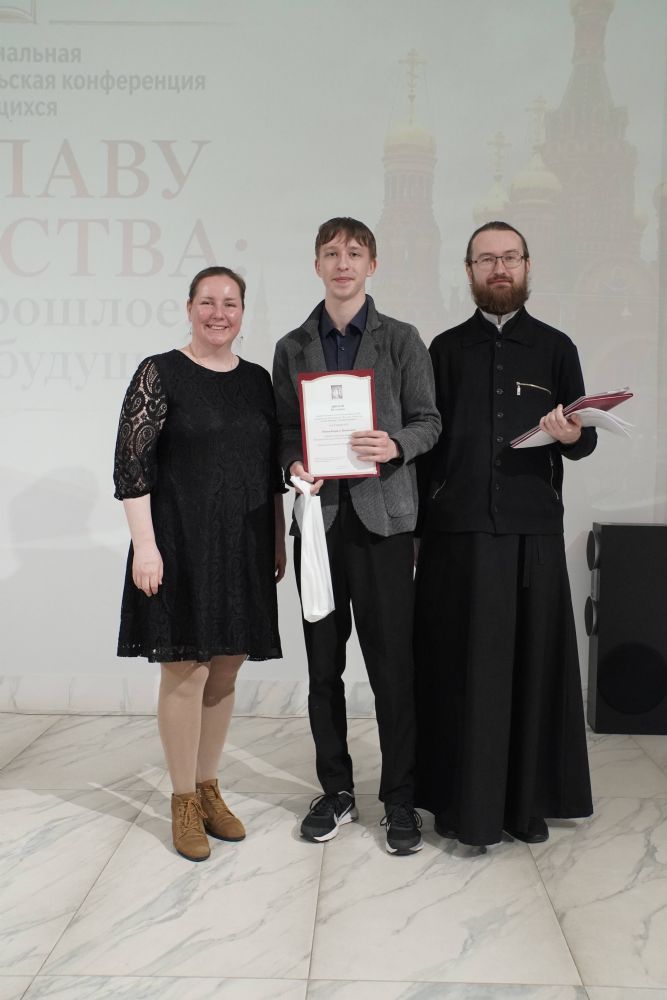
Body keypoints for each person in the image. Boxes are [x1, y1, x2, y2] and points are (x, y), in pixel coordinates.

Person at [414, 221, 595, 849]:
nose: (499, 268)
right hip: (455, 534)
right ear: (468, 271)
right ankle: (455, 802)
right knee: (457, 670)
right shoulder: (443, 349)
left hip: (531, 532)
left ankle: (526, 803)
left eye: (509, 257)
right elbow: (426, 446)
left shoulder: (556, 347)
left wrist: (573, 434)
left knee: (530, 670)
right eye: (486, 259)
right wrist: (416, 533)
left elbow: (583, 440)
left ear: (526, 266)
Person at [272, 217, 440, 854]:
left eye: (354, 252)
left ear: (372, 264)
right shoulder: (293, 347)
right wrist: (293, 462)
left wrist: (394, 444)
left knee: (393, 669)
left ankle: (399, 799)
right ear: (316, 264)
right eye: (331, 253)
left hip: (384, 525)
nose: (343, 263)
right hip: (318, 526)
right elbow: (284, 431)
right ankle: (336, 789)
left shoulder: (401, 340)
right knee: (323, 668)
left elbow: (429, 422)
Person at [113, 266, 286, 862]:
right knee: (185, 670)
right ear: (189, 308)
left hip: (243, 544)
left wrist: (276, 540)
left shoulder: (258, 381)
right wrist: (145, 546)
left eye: (230, 303)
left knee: (227, 668)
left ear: (243, 313)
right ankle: (183, 798)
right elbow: (131, 468)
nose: (219, 313)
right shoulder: (159, 373)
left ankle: (210, 787)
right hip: (178, 544)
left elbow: (268, 470)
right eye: (207, 302)